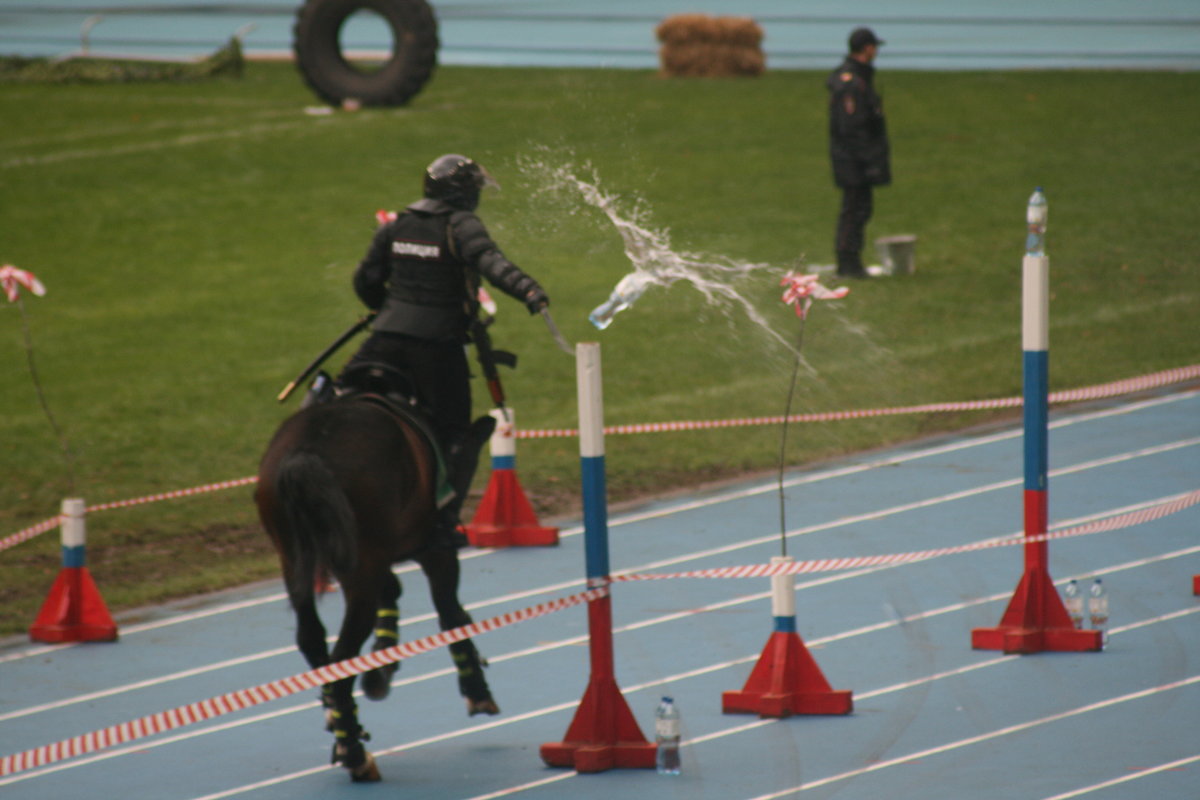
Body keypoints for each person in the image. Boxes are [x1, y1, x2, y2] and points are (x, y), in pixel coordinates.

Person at [339, 154, 549, 547]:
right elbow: (492, 263)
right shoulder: (461, 224)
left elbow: (366, 280)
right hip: (435, 347)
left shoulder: (397, 225)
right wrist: (529, 290)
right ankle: (444, 518)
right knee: (455, 430)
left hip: (383, 339)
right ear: (464, 195)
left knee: (335, 394)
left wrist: (386, 309)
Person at [827, 27, 890, 278]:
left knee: (861, 208)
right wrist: (868, 161)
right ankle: (847, 263)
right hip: (852, 159)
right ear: (867, 48)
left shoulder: (859, 78)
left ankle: (852, 260)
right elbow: (852, 126)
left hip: (855, 157)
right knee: (854, 209)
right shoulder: (852, 82)